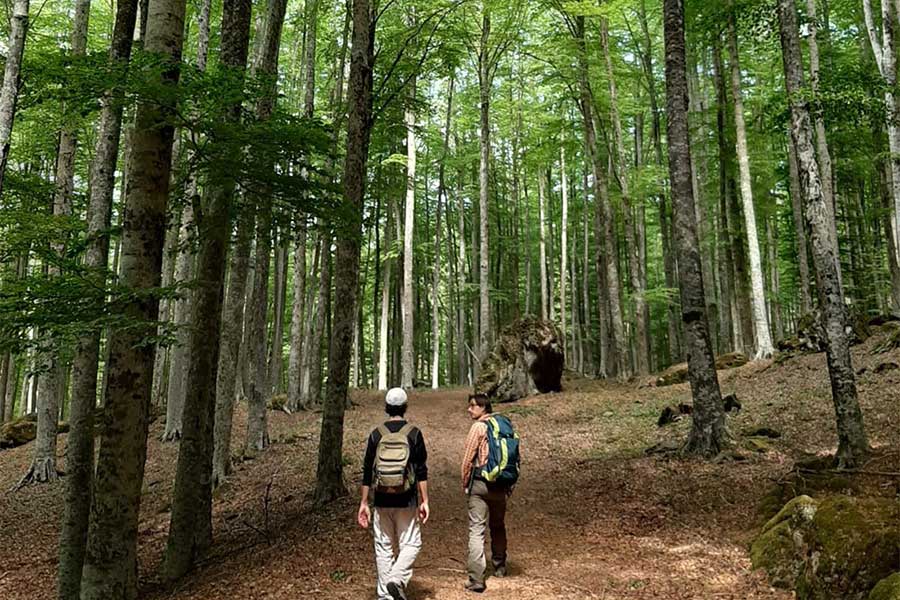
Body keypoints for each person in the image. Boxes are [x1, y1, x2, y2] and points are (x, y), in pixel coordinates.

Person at [358, 387, 430, 600]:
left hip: (381, 498)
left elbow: (367, 470)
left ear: (387, 408)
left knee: (383, 546)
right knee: (411, 543)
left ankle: (384, 596)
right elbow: (421, 471)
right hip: (406, 499)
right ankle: (396, 580)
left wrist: (364, 502)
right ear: (405, 407)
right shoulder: (414, 433)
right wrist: (424, 500)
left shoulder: (376, 434)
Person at [461, 393, 511, 593]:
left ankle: (476, 579)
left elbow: (467, 459)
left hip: (480, 485)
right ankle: (500, 566)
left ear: (483, 407)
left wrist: (466, 482)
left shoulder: (478, 427)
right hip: (500, 485)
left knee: (476, 529)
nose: (469, 409)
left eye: (473, 406)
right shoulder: (504, 425)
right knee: (498, 526)